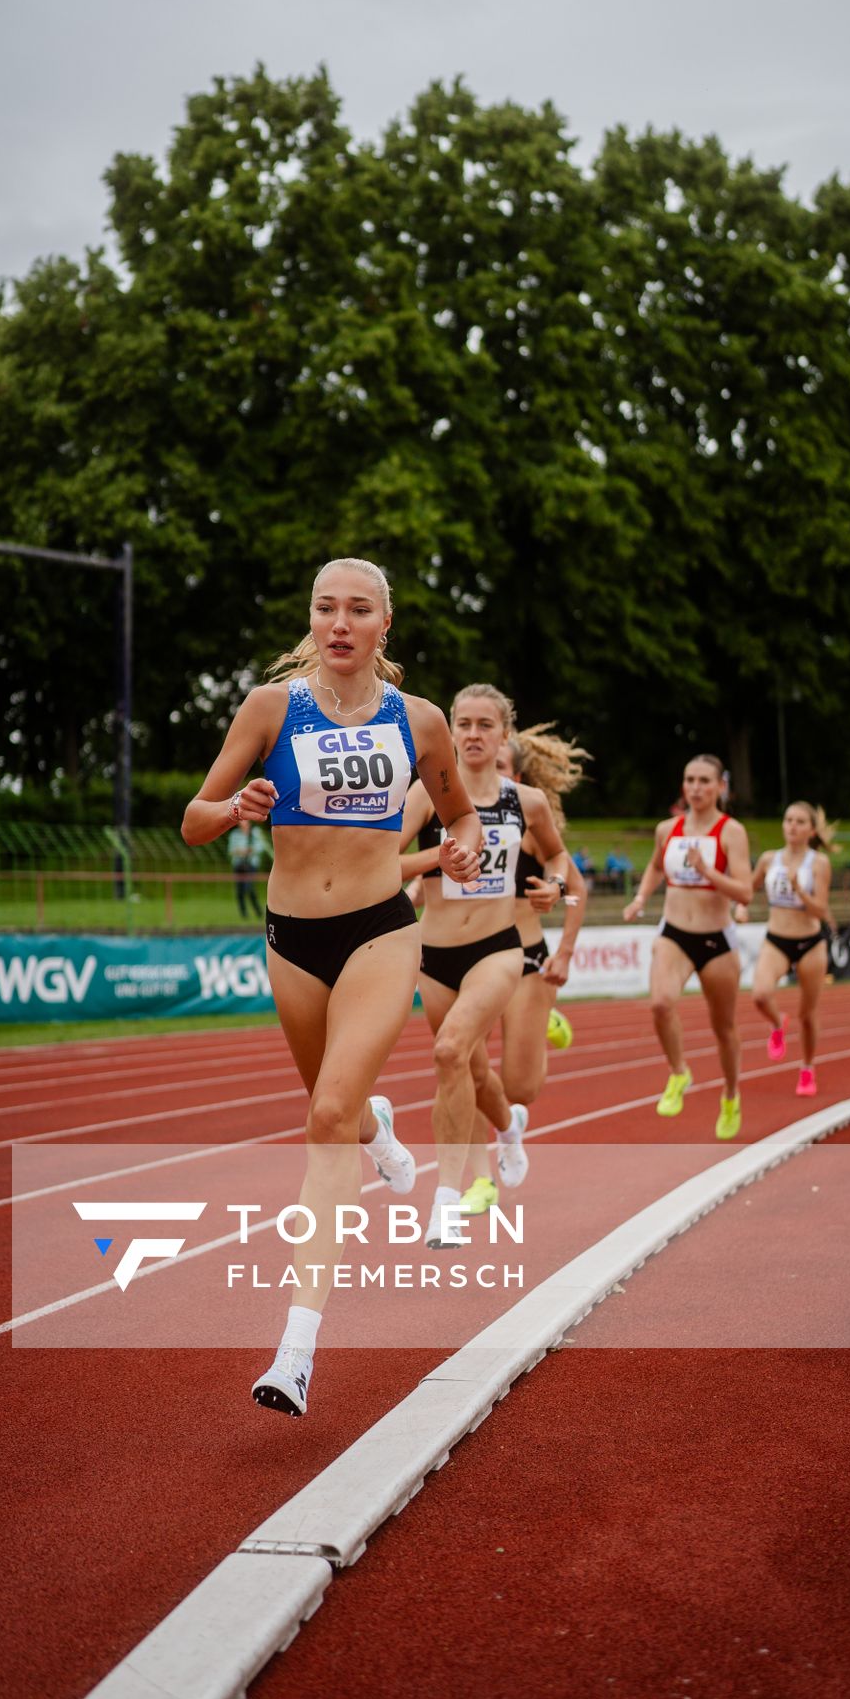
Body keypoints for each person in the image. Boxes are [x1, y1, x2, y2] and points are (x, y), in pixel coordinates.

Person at [181, 557, 483, 1419]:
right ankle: (379, 1126)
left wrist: (459, 845)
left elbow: (458, 812)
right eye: (326, 608)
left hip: (381, 929)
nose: (340, 622)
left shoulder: (418, 721)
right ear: (311, 621)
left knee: (322, 1119)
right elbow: (193, 821)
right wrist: (238, 805)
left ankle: (297, 1349)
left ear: (386, 625)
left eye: (358, 609)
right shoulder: (270, 710)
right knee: (337, 1107)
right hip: (291, 939)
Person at [398, 686, 571, 1244]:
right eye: (463, 724)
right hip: (435, 955)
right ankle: (509, 1129)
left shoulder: (527, 802)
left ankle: (445, 1200)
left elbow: (561, 859)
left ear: (503, 735)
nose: (473, 735)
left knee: (448, 1051)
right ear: (449, 732)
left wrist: (557, 887)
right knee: (470, 1069)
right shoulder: (425, 797)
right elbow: (387, 861)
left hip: (499, 948)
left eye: (484, 725)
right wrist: (436, 858)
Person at [457, 724, 590, 1207]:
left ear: (515, 776)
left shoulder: (531, 825)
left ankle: (543, 1019)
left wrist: (565, 952)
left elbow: (577, 889)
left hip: (525, 958)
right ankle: (480, 1179)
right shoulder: (454, 817)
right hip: (469, 956)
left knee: (519, 1088)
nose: (488, 776)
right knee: (468, 1067)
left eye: (499, 768)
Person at [623, 755, 753, 1139]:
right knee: (660, 1003)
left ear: (719, 787)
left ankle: (730, 1095)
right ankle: (679, 1072)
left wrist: (708, 870)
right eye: (690, 780)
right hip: (675, 933)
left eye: (704, 781)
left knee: (724, 1028)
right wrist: (641, 898)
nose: (695, 788)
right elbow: (656, 866)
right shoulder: (668, 829)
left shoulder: (732, 832)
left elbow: (745, 890)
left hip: (717, 939)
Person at [749, 803, 835, 1097]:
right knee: (760, 994)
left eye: (800, 822)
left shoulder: (819, 863)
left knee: (807, 1014)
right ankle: (777, 1022)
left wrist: (800, 891)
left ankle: (807, 1068)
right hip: (777, 938)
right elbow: (749, 889)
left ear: (811, 830)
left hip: (810, 942)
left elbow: (821, 910)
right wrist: (740, 907)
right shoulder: (768, 859)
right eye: (788, 820)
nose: (793, 826)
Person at [227, 818, 269, 918]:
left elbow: (261, 847)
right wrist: (239, 851)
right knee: (239, 891)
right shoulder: (235, 835)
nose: (243, 824)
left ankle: (258, 911)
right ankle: (244, 914)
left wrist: (250, 850)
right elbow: (230, 850)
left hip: (251, 865)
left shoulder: (255, 833)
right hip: (239, 864)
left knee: (249, 888)